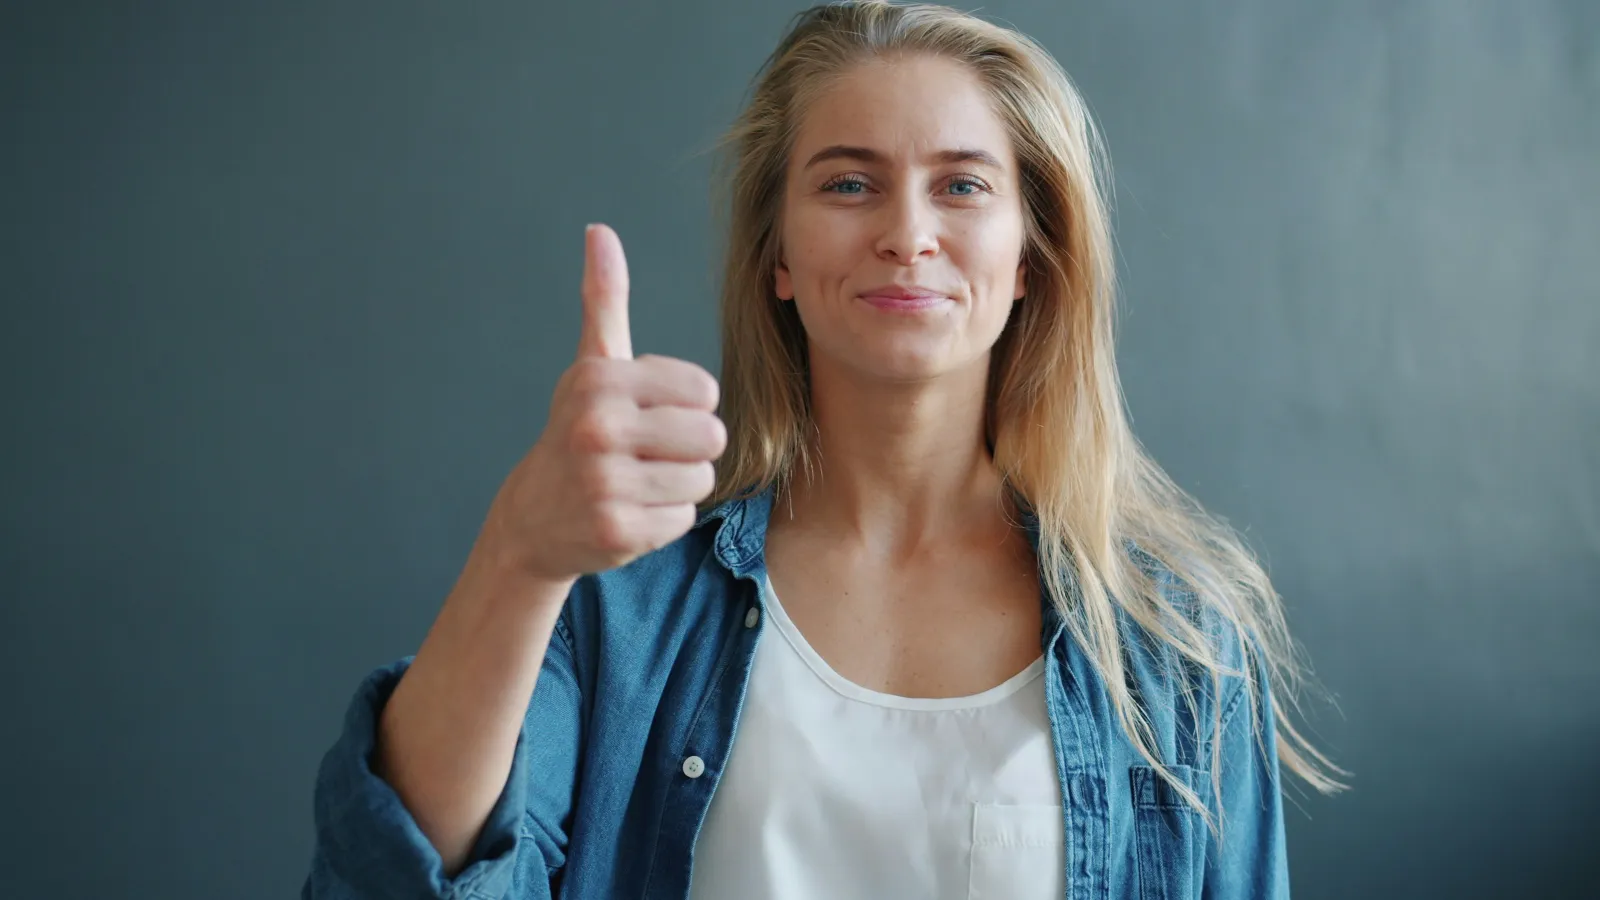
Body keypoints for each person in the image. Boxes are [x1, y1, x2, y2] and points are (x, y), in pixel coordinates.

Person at [302, 2, 1345, 898]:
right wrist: (519, 554)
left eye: (963, 186)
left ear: (1031, 259)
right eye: (848, 184)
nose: (906, 232)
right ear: (778, 260)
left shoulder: (1173, 644)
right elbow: (399, 881)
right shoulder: (620, 614)